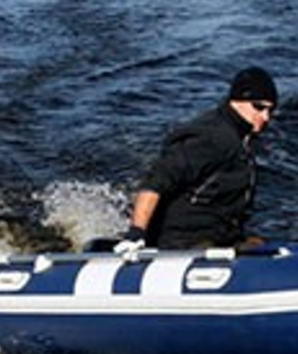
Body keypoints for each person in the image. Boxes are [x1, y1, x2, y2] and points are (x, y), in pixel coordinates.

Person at [114, 66, 278, 256]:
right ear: (236, 100)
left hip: (221, 237)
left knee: (260, 245)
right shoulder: (209, 137)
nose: (265, 117)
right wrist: (136, 234)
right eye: (259, 107)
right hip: (184, 243)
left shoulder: (242, 139)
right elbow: (155, 182)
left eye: (270, 110)